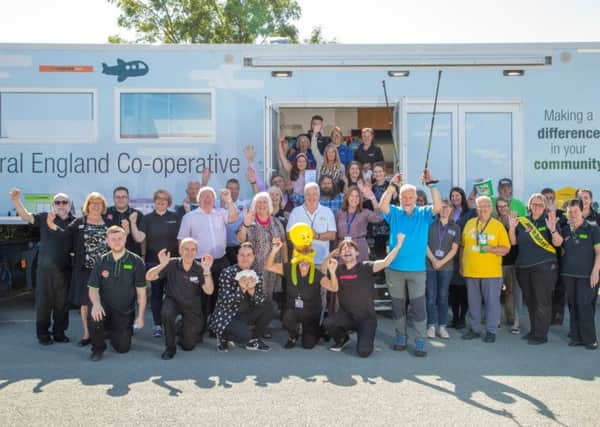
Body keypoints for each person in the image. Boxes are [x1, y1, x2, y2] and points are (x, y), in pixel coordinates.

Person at [379, 170, 442, 357]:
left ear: (416, 198)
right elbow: (382, 205)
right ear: (399, 198)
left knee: (418, 307)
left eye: (410, 196)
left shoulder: (423, 213)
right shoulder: (395, 213)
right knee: (398, 306)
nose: (407, 199)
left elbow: (438, 206)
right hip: (394, 269)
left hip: (417, 270)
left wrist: (431, 186)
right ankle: (400, 336)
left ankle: (420, 340)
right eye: (404, 196)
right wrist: (392, 185)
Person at [322, 234, 405, 357]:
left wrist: (398, 245)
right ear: (340, 255)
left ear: (357, 253)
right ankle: (343, 339)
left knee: (364, 352)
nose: (347, 250)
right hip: (347, 316)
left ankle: (364, 334)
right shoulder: (338, 269)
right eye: (343, 249)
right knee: (329, 323)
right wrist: (330, 256)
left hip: (366, 318)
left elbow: (385, 262)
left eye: (350, 248)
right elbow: (323, 272)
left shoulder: (366, 267)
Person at [9, 188, 75, 345]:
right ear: (53, 205)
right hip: (44, 270)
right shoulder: (45, 217)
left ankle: (59, 333)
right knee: (44, 303)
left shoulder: (74, 222)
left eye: (64, 202)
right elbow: (25, 216)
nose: (61, 204)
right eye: (57, 202)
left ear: (69, 204)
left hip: (64, 269)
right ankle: (43, 334)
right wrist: (16, 200)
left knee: (62, 303)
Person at [48, 192, 109, 347]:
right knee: (85, 303)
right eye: (92, 203)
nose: (95, 205)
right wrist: (52, 226)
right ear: (87, 206)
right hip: (84, 269)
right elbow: (64, 234)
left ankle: (103, 331)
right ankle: (87, 333)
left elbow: (119, 239)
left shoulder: (110, 221)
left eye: (98, 203)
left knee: (106, 300)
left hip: (106, 270)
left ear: (103, 207)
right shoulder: (79, 222)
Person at [177, 186, 238, 336]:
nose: (207, 199)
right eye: (204, 196)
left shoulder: (221, 213)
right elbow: (182, 241)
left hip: (220, 261)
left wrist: (229, 200)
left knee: (219, 296)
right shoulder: (189, 217)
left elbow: (234, 217)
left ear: (214, 199)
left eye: (210, 196)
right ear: (198, 200)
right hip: (198, 263)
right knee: (200, 298)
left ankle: (215, 327)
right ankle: (199, 328)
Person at [145, 239, 214, 360]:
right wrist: (161, 265)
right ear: (180, 250)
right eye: (186, 249)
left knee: (188, 346)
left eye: (193, 250)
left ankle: (180, 327)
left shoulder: (200, 268)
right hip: (173, 301)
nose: (189, 252)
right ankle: (170, 348)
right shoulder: (171, 264)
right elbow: (149, 277)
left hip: (192, 305)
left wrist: (207, 271)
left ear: (197, 252)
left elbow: (209, 291)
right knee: (167, 313)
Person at [265, 237, 337, 349]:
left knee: (308, 345)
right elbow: (269, 266)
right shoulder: (289, 268)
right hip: (293, 309)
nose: (304, 262)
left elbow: (334, 288)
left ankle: (319, 331)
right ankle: (293, 336)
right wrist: (274, 250)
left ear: (311, 260)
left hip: (311, 312)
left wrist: (332, 272)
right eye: (301, 259)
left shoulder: (317, 274)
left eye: (307, 260)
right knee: (287, 318)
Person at [87, 226, 146, 361]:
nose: (117, 242)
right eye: (113, 239)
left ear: (125, 239)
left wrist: (140, 316)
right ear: (107, 241)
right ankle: (97, 348)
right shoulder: (101, 260)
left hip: (124, 311)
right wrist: (96, 304)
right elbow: (93, 288)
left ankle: (114, 330)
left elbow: (141, 293)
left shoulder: (136, 261)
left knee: (122, 349)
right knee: (94, 313)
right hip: (104, 308)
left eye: (120, 238)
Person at [508, 194, 558, 345]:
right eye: (534, 204)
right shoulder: (523, 222)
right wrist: (511, 227)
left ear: (544, 207)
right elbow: (513, 242)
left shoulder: (549, 221)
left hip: (544, 267)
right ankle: (533, 330)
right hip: (524, 267)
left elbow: (557, 243)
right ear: (529, 206)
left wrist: (553, 230)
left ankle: (541, 335)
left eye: (540, 204)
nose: (537, 207)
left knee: (542, 301)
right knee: (530, 301)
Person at [550, 199, 600, 350]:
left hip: (587, 275)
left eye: (575, 211)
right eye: (569, 212)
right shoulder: (565, 229)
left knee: (584, 305)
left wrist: (595, 272)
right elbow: (557, 243)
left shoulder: (593, 229)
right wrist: (553, 229)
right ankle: (576, 337)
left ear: (581, 211)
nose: (572, 214)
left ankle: (590, 339)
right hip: (568, 274)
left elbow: (599, 253)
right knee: (572, 305)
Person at [461, 196, 511, 343]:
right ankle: (475, 329)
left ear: (490, 208)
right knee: (473, 303)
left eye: (486, 206)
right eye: (480, 206)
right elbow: (463, 246)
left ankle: (491, 331)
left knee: (492, 303)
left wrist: (491, 249)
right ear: (476, 208)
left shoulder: (498, 225)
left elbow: (506, 249)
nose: (483, 209)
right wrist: (461, 265)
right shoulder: (470, 223)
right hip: (471, 271)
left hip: (491, 273)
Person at [209, 242, 274, 352]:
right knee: (244, 336)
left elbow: (260, 301)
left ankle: (253, 341)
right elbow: (225, 302)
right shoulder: (227, 272)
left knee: (270, 306)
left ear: (253, 257)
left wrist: (252, 290)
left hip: (245, 313)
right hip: (227, 315)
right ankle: (223, 336)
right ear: (237, 257)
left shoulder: (257, 274)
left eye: (249, 255)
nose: (245, 258)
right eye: (242, 255)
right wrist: (242, 289)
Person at [237, 192, 287, 316]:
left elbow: (284, 243)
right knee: (254, 293)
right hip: (255, 266)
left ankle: (264, 322)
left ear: (269, 205)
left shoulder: (276, 222)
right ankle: (255, 322)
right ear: (254, 205)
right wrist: (245, 225)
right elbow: (240, 239)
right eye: (259, 202)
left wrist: (285, 265)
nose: (262, 204)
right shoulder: (249, 221)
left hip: (273, 267)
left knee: (269, 295)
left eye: (265, 201)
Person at [142, 189, 181, 338]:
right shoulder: (147, 219)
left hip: (172, 262)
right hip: (153, 262)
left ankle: (172, 323)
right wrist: (144, 257)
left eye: (164, 199)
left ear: (168, 202)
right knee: (156, 294)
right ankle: (157, 325)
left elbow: (180, 239)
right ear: (154, 201)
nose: (161, 201)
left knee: (173, 294)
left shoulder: (175, 217)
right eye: (158, 199)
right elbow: (143, 240)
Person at [425, 198, 460, 339]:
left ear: (452, 209)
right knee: (431, 297)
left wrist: (441, 262)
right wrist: (434, 260)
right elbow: (424, 244)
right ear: (438, 209)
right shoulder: (430, 225)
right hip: (430, 266)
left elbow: (454, 249)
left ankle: (442, 326)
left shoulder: (455, 228)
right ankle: (431, 326)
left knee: (443, 297)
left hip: (446, 267)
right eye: (442, 207)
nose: (445, 210)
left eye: (448, 207)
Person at [287, 183, 336, 267]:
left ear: (319, 195)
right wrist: (304, 237)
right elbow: (288, 235)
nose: (311, 197)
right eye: (308, 194)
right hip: (300, 261)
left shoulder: (327, 211)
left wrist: (316, 235)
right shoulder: (295, 211)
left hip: (322, 262)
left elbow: (332, 235)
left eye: (314, 194)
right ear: (304, 195)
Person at [447, 186, 476, 329]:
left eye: (457, 195)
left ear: (462, 197)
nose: (454, 198)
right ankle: (455, 317)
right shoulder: (449, 212)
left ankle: (462, 318)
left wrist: (477, 190)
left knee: (463, 288)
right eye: (452, 196)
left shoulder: (470, 212)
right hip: (451, 253)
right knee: (453, 288)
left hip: (464, 252)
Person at [541, 187, 568, 325]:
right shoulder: (538, 214)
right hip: (544, 257)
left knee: (560, 287)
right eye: (546, 198)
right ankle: (545, 315)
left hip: (560, 257)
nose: (549, 200)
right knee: (545, 288)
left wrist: (553, 215)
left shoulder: (563, 215)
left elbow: (565, 234)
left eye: (551, 198)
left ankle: (557, 316)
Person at [496, 197, 522, 334]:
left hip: (516, 261)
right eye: (499, 206)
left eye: (505, 206)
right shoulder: (494, 222)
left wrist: (512, 226)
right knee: (497, 291)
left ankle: (516, 321)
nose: (502, 209)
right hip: (500, 262)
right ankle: (496, 319)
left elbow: (514, 242)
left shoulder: (516, 219)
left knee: (516, 292)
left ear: (509, 206)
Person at [335, 185, 382, 262]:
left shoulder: (364, 212)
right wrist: (336, 249)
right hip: (343, 248)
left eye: (357, 196)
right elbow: (335, 235)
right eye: (352, 196)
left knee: (360, 272)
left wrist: (373, 198)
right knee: (343, 273)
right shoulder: (339, 213)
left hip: (359, 247)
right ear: (347, 197)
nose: (354, 199)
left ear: (360, 199)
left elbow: (378, 217)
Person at [104, 186, 145, 256]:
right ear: (113, 199)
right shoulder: (105, 213)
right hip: (110, 256)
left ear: (128, 198)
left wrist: (133, 223)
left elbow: (139, 239)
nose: (121, 199)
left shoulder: (137, 214)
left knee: (128, 267)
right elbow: (102, 238)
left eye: (124, 197)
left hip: (131, 256)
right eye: (118, 197)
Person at [278, 141, 314, 207]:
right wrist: (279, 144)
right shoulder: (291, 170)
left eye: (303, 161)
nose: (301, 163)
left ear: (307, 163)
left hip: (305, 202)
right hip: (292, 201)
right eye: (299, 161)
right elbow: (282, 158)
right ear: (296, 162)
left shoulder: (310, 173)